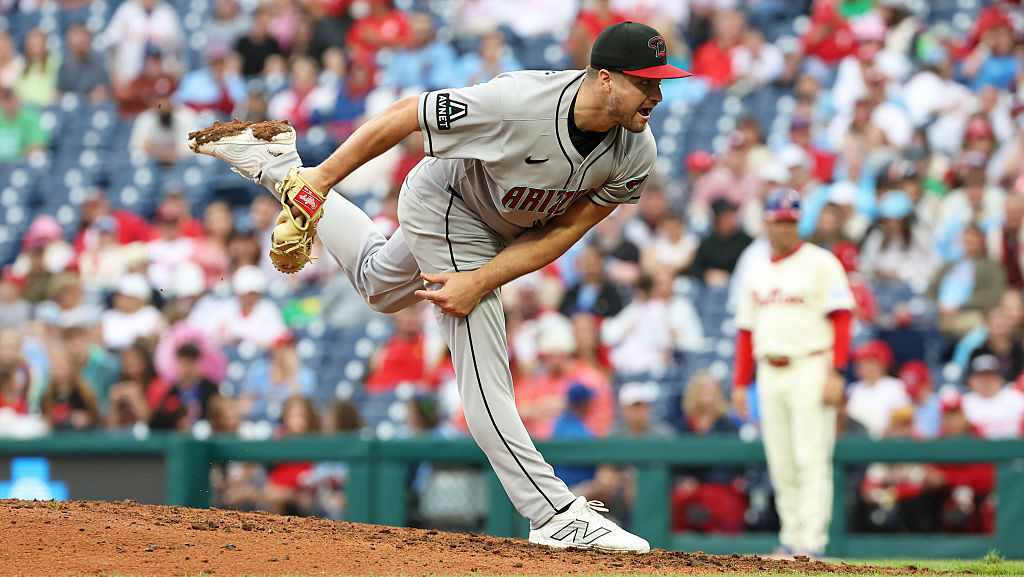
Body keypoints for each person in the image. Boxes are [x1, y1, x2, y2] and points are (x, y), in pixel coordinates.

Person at [190, 21, 693, 553]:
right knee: (483, 370)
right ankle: (554, 514)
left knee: (379, 286)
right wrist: (324, 179)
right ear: (606, 79)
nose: (657, 96)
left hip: (495, 232)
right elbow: (407, 115)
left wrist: (481, 279)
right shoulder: (517, 102)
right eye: (646, 83)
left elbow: (565, 231)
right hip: (447, 201)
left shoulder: (636, 151)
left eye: (661, 83)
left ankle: (278, 166)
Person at [732, 188, 854, 558]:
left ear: (798, 222)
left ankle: (812, 542)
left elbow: (843, 319)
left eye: (790, 221)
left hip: (810, 366)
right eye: (778, 220)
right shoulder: (755, 268)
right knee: (781, 461)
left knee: (810, 458)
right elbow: (745, 330)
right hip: (769, 370)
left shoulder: (821, 262)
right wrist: (740, 383)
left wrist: (838, 372)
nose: (784, 228)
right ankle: (790, 538)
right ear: (766, 223)